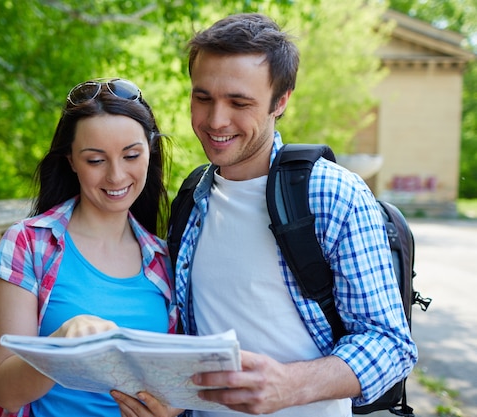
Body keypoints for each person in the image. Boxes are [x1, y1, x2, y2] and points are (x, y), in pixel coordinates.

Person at [113, 13, 417, 417]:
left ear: (282, 101)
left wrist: (291, 386)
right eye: (203, 98)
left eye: (239, 103)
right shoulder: (192, 197)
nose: (216, 120)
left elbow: (391, 346)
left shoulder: (333, 194)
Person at [0, 77, 178, 417]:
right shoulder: (29, 244)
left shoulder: (165, 260)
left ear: (150, 151)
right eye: (95, 160)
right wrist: (61, 344)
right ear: (71, 160)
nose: (116, 176)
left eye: (131, 155)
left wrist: (169, 410)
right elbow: (6, 390)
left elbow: (176, 388)